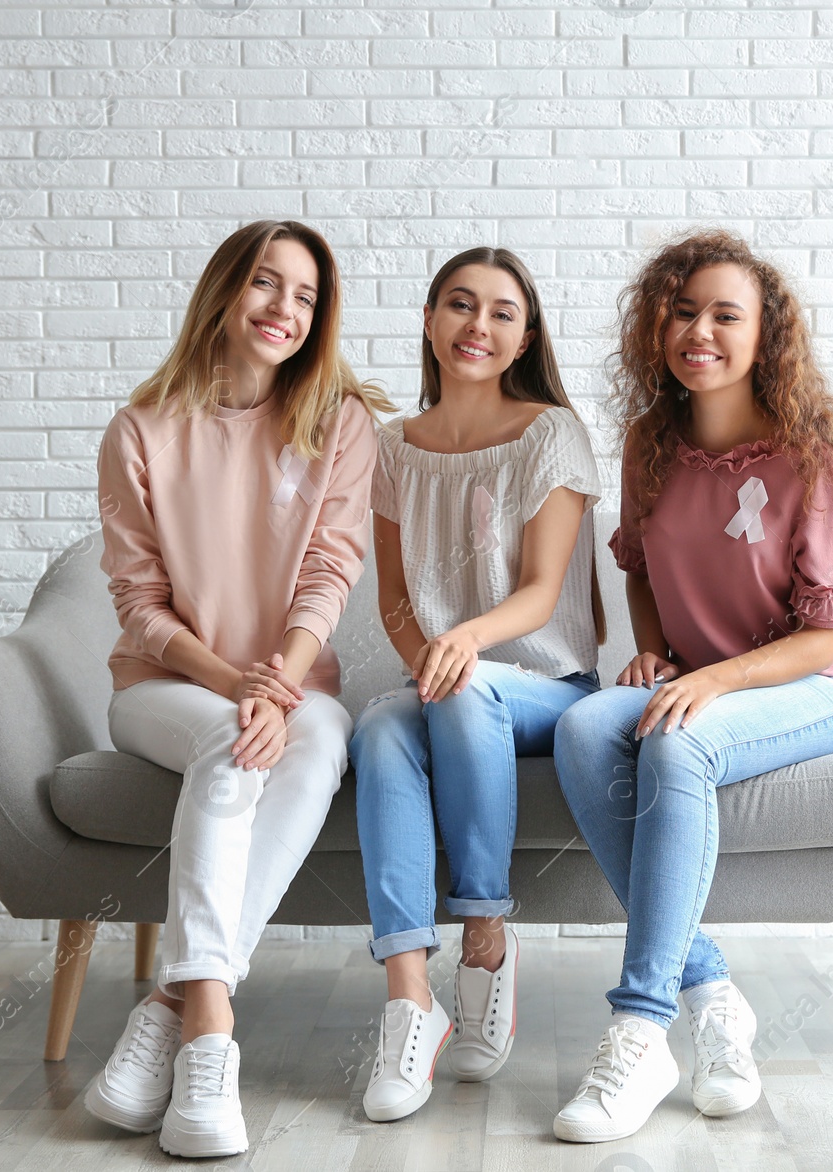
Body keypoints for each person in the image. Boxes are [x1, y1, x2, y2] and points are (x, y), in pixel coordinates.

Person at [551, 228, 833, 1143]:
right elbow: (640, 569)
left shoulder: (817, 457)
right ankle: (712, 994)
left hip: (817, 688)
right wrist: (654, 652)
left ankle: (642, 1023)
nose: (699, 330)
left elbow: (826, 637)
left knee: (677, 736)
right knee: (585, 729)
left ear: (766, 334)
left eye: (725, 315)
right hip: (702, 684)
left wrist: (716, 682)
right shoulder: (647, 444)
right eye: (682, 312)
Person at [88, 219, 387, 1158]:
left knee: (323, 740)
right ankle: (211, 1035)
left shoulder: (339, 424)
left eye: (305, 297)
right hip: (166, 690)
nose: (283, 310)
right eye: (267, 284)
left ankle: (171, 1003)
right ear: (223, 291)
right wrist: (233, 683)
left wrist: (279, 683)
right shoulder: (139, 431)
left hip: (293, 688)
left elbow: (329, 575)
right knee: (231, 738)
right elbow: (140, 606)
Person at [351, 247, 608, 1123]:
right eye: (460, 306)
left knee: (462, 693)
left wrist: (461, 643)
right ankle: (408, 997)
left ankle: (488, 940)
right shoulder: (393, 449)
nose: (478, 326)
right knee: (378, 731)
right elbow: (390, 600)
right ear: (429, 321)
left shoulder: (550, 435)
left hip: (545, 686)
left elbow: (541, 591)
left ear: (524, 335)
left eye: (502, 313)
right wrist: (431, 656)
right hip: (439, 681)